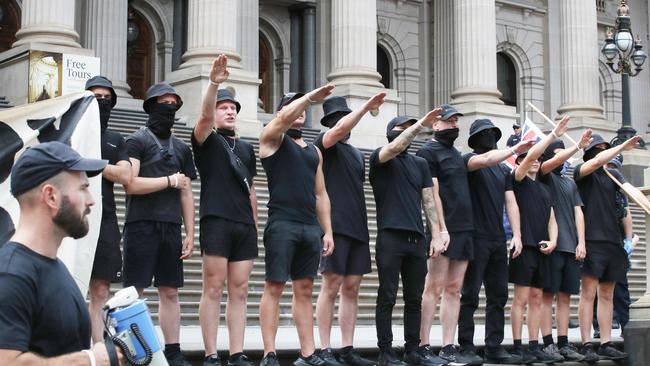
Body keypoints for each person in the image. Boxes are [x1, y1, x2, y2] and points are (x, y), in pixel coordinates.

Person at [0, 141, 125, 366]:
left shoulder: (54, 267)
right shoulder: (10, 276)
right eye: (83, 188)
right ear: (51, 196)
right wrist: (89, 360)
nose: (91, 200)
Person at [257, 85, 337, 366]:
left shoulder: (315, 151)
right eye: (293, 106)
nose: (300, 111)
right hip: (281, 224)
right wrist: (308, 98)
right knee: (274, 287)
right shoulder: (272, 139)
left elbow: (321, 193)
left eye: (304, 108)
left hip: (308, 227)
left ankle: (309, 353)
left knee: (304, 290)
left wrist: (327, 230)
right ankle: (269, 354)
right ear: (282, 111)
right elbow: (281, 121)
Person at [122, 83, 197, 366]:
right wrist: (168, 180)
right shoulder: (136, 140)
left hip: (171, 226)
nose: (168, 109)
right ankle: (131, 350)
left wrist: (190, 232)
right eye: (163, 103)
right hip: (140, 224)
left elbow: (187, 191)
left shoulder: (181, 148)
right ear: (151, 106)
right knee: (134, 290)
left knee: (170, 291)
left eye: (173, 104)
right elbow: (131, 183)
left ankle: (173, 350)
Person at [192, 55, 258, 366]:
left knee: (240, 291)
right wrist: (214, 84)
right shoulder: (206, 140)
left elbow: (251, 191)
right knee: (214, 288)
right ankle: (210, 353)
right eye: (224, 107)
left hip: (244, 225)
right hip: (216, 220)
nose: (230, 110)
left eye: (233, 108)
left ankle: (237, 352)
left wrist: (255, 225)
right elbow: (204, 118)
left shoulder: (245, 148)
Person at [371, 110, 448, 366]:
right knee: (388, 295)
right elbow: (395, 146)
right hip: (390, 236)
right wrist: (420, 125)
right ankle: (385, 351)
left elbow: (429, 200)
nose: (408, 131)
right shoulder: (381, 158)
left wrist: (436, 235)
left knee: (414, 298)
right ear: (391, 131)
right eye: (402, 127)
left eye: (410, 127)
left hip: (416, 239)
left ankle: (413, 350)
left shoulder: (420, 164)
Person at [314, 94, 386, 366]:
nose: (346, 124)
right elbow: (337, 132)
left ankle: (346, 348)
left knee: (352, 288)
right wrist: (365, 108)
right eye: (340, 117)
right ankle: (323, 348)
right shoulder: (323, 144)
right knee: (330, 285)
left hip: (357, 226)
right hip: (335, 225)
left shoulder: (356, 154)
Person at [457, 118, 535, 365]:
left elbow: (511, 202)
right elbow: (484, 160)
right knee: (469, 294)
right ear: (474, 139)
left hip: (498, 239)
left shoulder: (503, 171)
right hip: (475, 237)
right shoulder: (469, 160)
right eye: (484, 133)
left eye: (491, 133)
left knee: (498, 295)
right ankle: (466, 346)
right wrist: (514, 150)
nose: (488, 136)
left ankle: (494, 347)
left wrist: (517, 235)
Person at [417, 104, 475, 364]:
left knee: (454, 289)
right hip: (443, 229)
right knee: (434, 286)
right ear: (435, 124)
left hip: (464, 229)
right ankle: (423, 343)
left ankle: (448, 345)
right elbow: (432, 193)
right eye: (448, 121)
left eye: (455, 121)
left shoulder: (456, 154)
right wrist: (440, 230)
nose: (454, 125)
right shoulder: (428, 152)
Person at [574, 134, 640, 362]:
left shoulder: (613, 176)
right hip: (592, 239)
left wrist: (629, 240)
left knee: (608, 293)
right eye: (598, 148)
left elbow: (629, 203)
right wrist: (621, 146)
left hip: (613, 240)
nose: (602, 151)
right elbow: (594, 163)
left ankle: (605, 342)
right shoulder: (583, 171)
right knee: (588, 293)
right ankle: (586, 343)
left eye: (605, 148)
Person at [509, 117, 567, 363]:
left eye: (537, 161)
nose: (535, 163)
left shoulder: (545, 188)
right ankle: (518, 345)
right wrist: (552, 134)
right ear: (520, 162)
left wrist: (554, 241)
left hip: (544, 248)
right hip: (525, 246)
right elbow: (530, 157)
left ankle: (534, 344)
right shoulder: (518, 179)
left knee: (536, 298)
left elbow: (552, 219)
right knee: (520, 298)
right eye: (530, 160)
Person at [85, 75, 133, 343]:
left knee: (101, 288)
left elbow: (126, 175)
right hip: (72, 217)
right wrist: (108, 167)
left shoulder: (116, 139)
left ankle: (99, 347)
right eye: (95, 97)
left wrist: (92, 163)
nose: (101, 102)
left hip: (106, 218)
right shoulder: (71, 133)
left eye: (106, 98)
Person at [536, 131, 592, 363]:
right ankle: (547, 343)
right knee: (547, 297)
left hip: (571, 248)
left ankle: (563, 342)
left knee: (565, 297)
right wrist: (577, 147)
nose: (563, 160)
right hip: (552, 246)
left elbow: (578, 212)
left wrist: (581, 242)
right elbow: (552, 163)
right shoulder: (544, 176)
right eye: (558, 155)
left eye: (564, 155)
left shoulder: (570, 182)